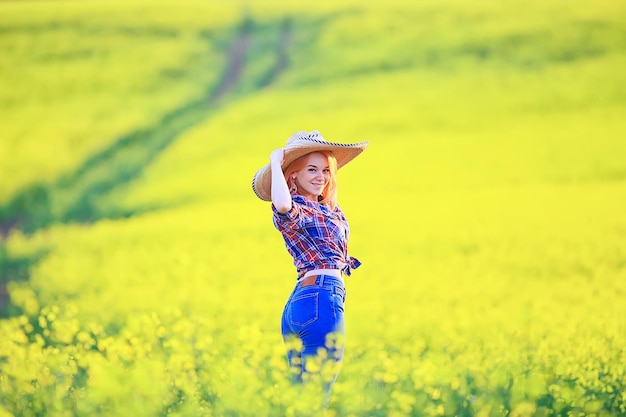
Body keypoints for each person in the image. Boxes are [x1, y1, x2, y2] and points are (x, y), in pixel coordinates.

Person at [252, 130, 369, 403]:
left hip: (304, 301)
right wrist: (275, 161)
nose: (321, 176)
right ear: (293, 175)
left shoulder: (326, 208)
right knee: (317, 398)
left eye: (326, 170)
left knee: (301, 401)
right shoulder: (296, 208)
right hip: (320, 298)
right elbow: (281, 203)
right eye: (312, 169)